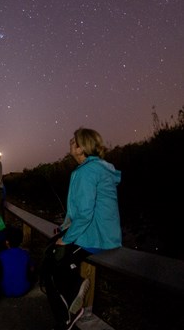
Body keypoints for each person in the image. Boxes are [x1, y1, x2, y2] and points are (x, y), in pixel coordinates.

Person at [42, 127, 122, 330]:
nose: (69, 142)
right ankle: (72, 290)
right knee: (51, 253)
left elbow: (85, 213)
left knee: (53, 262)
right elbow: (79, 210)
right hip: (99, 232)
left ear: (81, 148)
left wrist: (66, 239)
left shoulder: (86, 171)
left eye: (73, 140)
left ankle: (65, 319)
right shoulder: (95, 168)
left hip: (96, 236)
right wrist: (65, 229)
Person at [0, 226, 34, 297]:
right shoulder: (25, 254)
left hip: (5, 291)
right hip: (23, 290)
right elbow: (32, 269)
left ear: (7, 242)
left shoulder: (1, 255)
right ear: (20, 241)